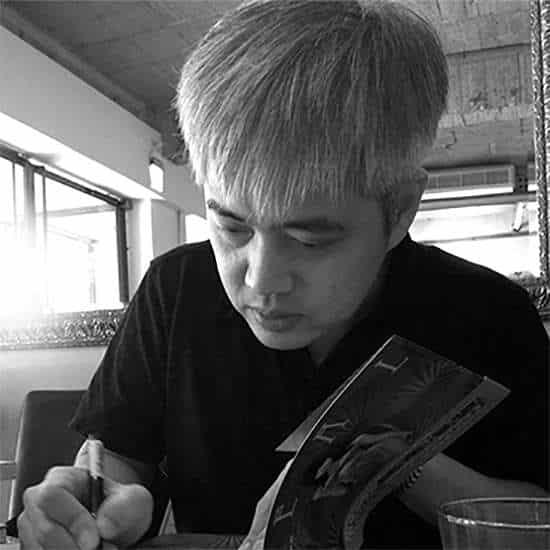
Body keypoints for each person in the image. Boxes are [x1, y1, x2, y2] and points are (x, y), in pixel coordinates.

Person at [17, 0, 549, 549]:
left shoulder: (490, 315)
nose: (260, 282)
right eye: (232, 226)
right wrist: (95, 501)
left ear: (401, 211)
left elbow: (537, 512)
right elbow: (118, 457)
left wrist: (404, 465)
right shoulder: (174, 290)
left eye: (311, 239)